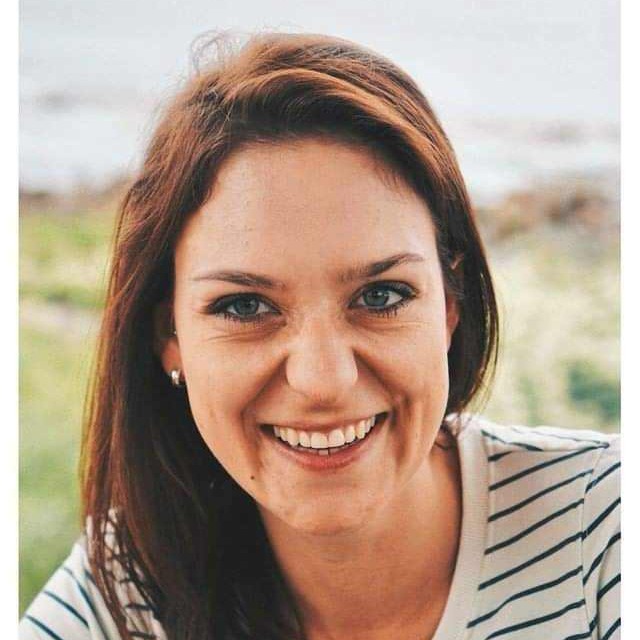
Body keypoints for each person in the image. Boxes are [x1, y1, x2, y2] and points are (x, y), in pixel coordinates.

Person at [19, 31, 620, 640]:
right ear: (169, 336)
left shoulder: (607, 528)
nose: (323, 380)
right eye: (245, 306)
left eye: (381, 296)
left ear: (450, 306)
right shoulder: (122, 593)